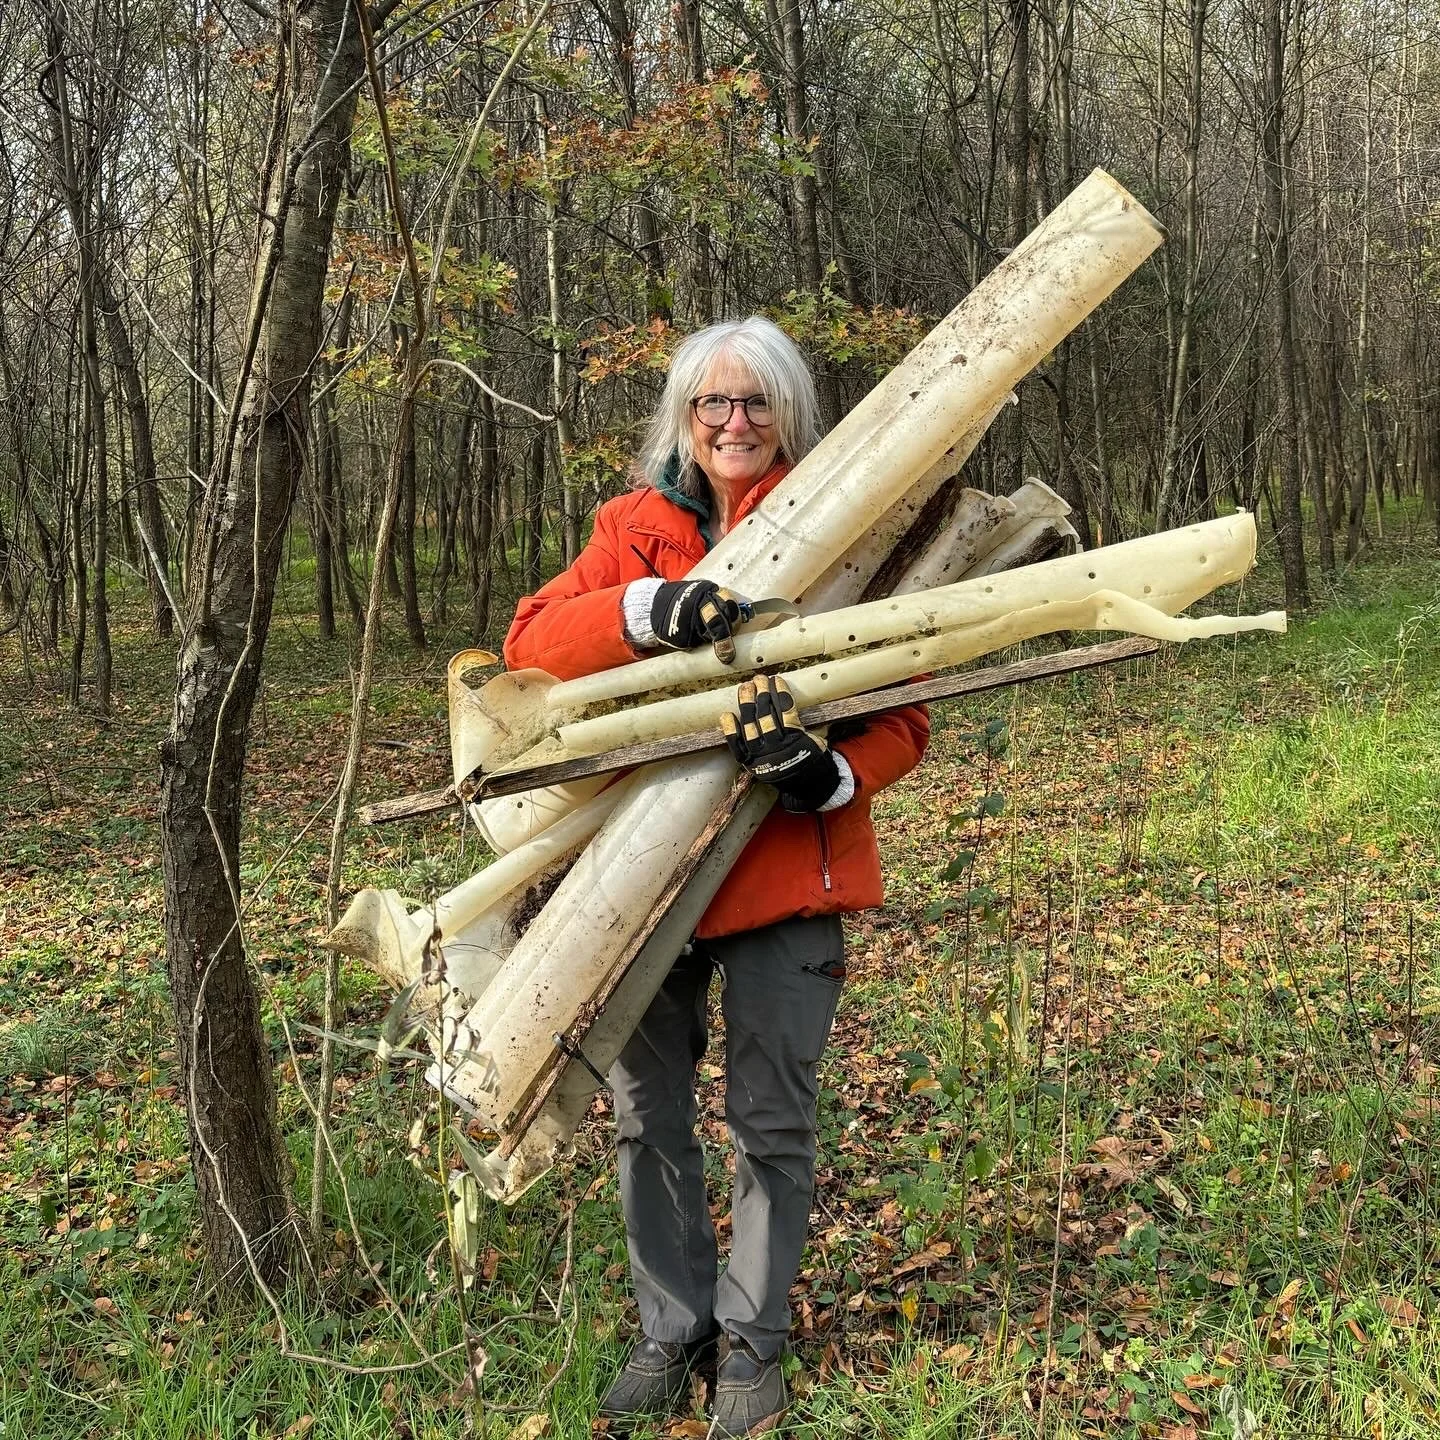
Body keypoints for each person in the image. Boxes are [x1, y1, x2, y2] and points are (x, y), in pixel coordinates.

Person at [503, 317, 929, 1437]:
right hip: (646, 878)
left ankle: (752, 1338)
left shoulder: (844, 524)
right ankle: (671, 1326)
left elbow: (912, 710)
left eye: (755, 403)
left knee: (770, 1119)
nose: (734, 425)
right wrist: (648, 611)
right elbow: (532, 642)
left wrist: (828, 777)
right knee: (647, 1117)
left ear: (788, 412)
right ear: (683, 419)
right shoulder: (633, 525)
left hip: (787, 872)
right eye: (712, 406)